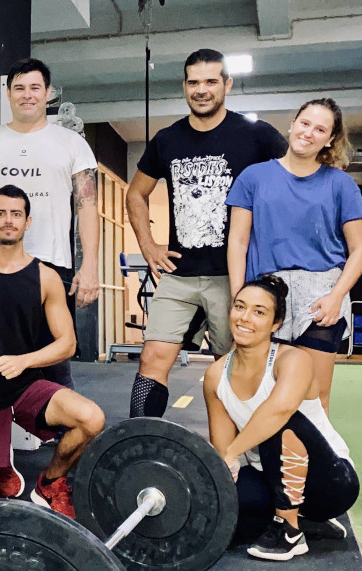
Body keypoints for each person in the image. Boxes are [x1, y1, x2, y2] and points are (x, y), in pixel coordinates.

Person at [0, 57, 99, 498]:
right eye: (19, 87)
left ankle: (54, 481)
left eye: (35, 87)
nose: (27, 95)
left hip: (50, 268)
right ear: (9, 93)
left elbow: (87, 205)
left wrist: (90, 263)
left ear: (48, 94)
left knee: (54, 370)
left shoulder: (71, 143)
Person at [126, 49, 287, 420]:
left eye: (211, 81)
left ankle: (243, 448)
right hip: (179, 274)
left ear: (227, 85)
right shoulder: (167, 139)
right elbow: (135, 193)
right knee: (152, 358)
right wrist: (148, 247)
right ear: (185, 86)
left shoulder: (256, 135)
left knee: (233, 364)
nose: (202, 89)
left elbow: (293, 179)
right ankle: (141, 441)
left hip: (234, 276)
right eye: (193, 82)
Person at [0, 184, 105, 514]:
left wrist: (24, 361)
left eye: (16, 214)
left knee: (91, 418)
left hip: (24, 386)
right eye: (0, 214)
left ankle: (50, 483)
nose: (8, 220)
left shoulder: (46, 277)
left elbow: (67, 343)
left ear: (28, 222)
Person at [227, 97, 362, 415]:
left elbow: (360, 248)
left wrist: (336, 296)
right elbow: (238, 241)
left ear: (329, 139)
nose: (309, 133)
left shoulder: (340, 184)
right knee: (264, 395)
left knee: (313, 398)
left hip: (321, 293)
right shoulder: (253, 177)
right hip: (267, 291)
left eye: (320, 129)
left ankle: (315, 451)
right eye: (305, 123)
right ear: (293, 124)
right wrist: (239, 298)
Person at [203, 275, 359, 561]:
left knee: (279, 420)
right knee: (217, 516)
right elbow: (224, 452)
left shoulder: (293, 360)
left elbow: (280, 410)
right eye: (240, 307)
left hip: (331, 482)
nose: (245, 318)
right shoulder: (215, 375)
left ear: (276, 323)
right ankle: (307, 522)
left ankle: (289, 530)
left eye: (259, 312)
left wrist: (233, 452)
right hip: (269, 478)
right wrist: (223, 484)